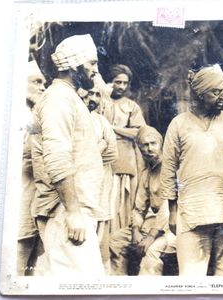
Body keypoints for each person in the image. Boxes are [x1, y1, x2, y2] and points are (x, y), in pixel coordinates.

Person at [161, 64, 223, 276]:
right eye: (216, 91)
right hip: (193, 213)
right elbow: (168, 171)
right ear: (199, 92)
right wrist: (172, 212)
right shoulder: (178, 125)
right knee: (192, 279)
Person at [31, 34, 105, 276]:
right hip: (65, 212)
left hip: (74, 209)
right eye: (92, 63)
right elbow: (57, 157)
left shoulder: (68, 97)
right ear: (74, 65)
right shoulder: (57, 99)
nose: (96, 70)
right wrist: (73, 212)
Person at [109, 126, 176, 275]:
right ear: (139, 149)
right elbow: (139, 208)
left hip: (174, 226)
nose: (149, 149)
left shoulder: (171, 169)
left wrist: (151, 236)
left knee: (151, 251)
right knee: (115, 240)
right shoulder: (146, 173)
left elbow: (167, 207)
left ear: (161, 144)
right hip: (153, 225)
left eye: (153, 143)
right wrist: (135, 231)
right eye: (144, 145)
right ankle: (119, 287)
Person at [102, 64, 146, 232]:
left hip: (125, 159)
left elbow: (138, 132)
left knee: (122, 200)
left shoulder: (131, 106)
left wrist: (111, 129)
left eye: (125, 83)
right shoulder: (101, 101)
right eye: (117, 82)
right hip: (104, 157)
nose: (121, 86)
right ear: (109, 82)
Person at [81, 85, 118, 273]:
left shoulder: (101, 121)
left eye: (97, 94)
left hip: (102, 179)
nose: (93, 97)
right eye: (89, 93)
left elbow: (113, 152)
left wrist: (99, 148)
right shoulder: (75, 117)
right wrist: (98, 146)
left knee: (100, 225)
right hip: (80, 182)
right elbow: (76, 153)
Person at [17, 60, 46, 276]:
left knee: (32, 260)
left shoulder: (34, 114)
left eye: (43, 82)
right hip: (19, 196)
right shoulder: (18, 115)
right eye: (37, 82)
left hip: (35, 198)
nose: (42, 87)